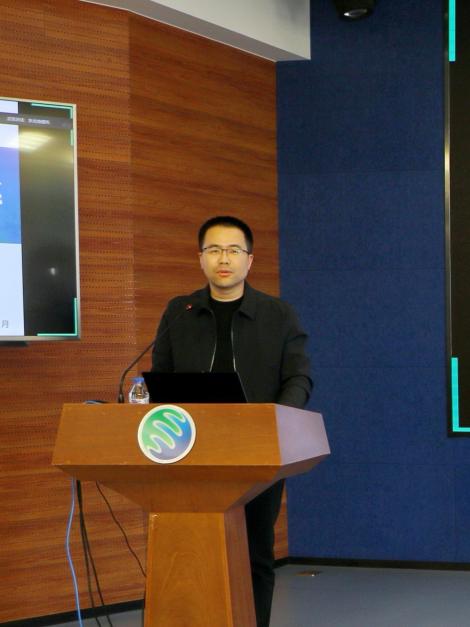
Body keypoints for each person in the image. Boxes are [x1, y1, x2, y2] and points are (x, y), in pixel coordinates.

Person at [152, 215, 312, 627]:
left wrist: (278, 421)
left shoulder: (278, 314)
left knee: (255, 553)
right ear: (200, 258)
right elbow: (161, 376)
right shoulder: (180, 311)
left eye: (233, 250)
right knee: (191, 551)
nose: (224, 259)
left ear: (249, 259)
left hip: (258, 453)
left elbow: (299, 377)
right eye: (214, 250)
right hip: (190, 451)